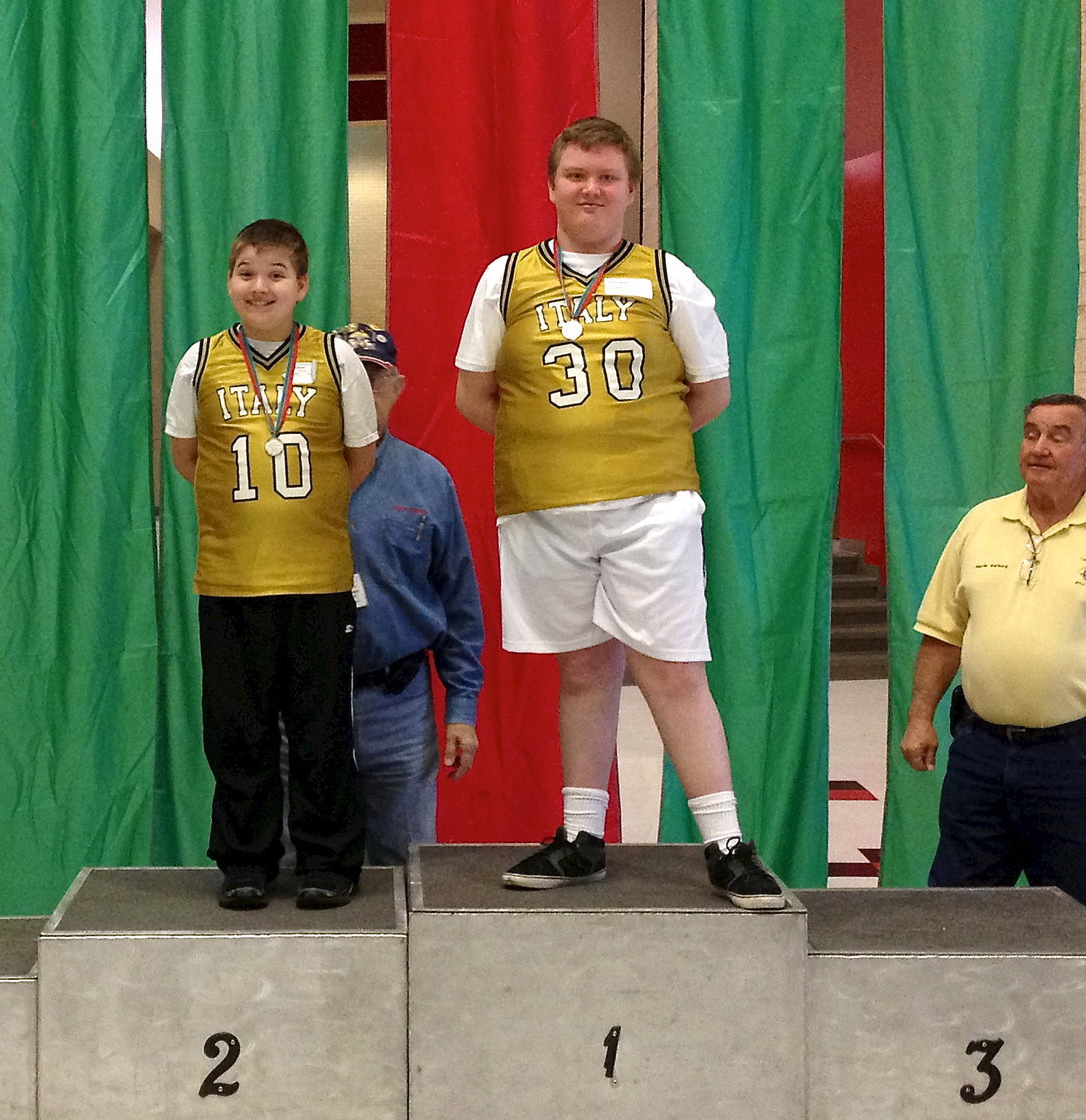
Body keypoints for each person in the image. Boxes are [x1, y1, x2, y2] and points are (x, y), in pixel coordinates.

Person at [454, 117, 783, 908]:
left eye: (606, 176)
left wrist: (624, 445)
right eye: (576, 174)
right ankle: (580, 835)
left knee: (671, 669)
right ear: (552, 184)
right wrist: (558, 444)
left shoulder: (671, 278)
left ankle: (726, 842)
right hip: (546, 509)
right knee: (582, 667)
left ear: (631, 190)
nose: (590, 188)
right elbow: (473, 395)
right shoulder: (505, 280)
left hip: (650, 505)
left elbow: (711, 392)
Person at [165, 218, 378, 911]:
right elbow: (188, 459)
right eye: (248, 272)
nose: (261, 286)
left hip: (317, 580)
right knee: (237, 729)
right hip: (230, 581)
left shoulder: (335, 358)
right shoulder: (198, 361)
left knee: (321, 729)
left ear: (302, 284)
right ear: (230, 281)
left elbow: (359, 456)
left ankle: (328, 861)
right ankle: (246, 862)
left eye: (276, 273)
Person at [901, 393, 1086, 906]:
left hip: (1073, 760)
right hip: (980, 755)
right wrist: (920, 717)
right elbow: (943, 632)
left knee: (1075, 915)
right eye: (1031, 433)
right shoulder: (981, 523)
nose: (1039, 448)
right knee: (959, 909)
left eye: (1058, 436)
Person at [336, 323, 484, 865]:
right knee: (298, 863)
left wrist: (461, 708)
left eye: (372, 378)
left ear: (396, 387)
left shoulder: (428, 480)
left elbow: (459, 606)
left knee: (404, 864)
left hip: (396, 703)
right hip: (303, 703)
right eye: (344, 378)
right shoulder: (293, 477)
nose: (359, 391)